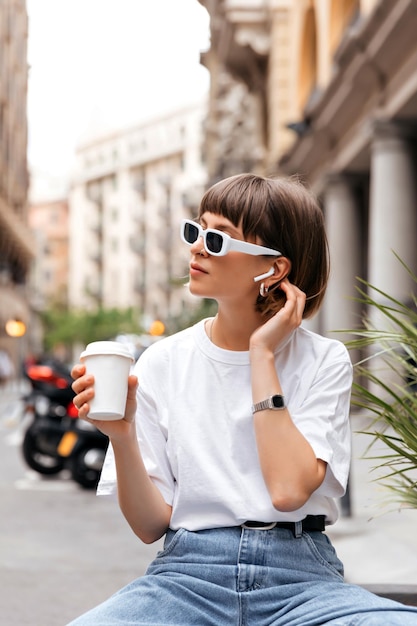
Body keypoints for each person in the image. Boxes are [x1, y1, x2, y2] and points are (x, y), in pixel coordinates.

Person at [68, 173, 417, 625]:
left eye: (217, 239)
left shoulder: (324, 360)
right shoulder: (161, 361)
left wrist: (261, 354)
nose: (196, 247)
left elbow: (289, 491)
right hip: (186, 578)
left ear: (273, 269)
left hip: (302, 581)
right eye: (196, 230)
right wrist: (121, 435)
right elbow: (149, 526)